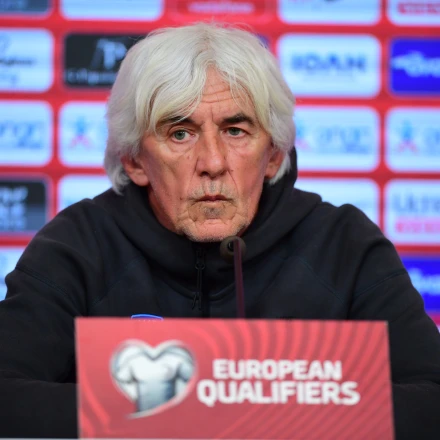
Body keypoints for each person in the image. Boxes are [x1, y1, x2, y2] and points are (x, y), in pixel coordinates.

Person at [0, 23, 439, 439]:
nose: (212, 162)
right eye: (180, 133)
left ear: (273, 155)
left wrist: (255, 409)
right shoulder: (78, 244)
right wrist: (200, 407)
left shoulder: (344, 244)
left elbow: (430, 399)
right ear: (134, 161)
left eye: (235, 130)